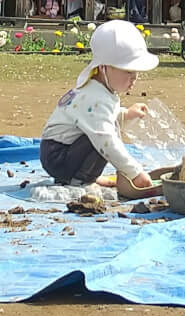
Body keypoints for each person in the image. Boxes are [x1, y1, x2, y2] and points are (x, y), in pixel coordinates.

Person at [39, 20, 159, 191]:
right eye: (128, 71)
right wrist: (135, 173)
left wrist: (125, 115)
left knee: (102, 133)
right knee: (103, 139)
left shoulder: (100, 89)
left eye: (136, 72)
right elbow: (105, 138)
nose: (134, 78)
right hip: (59, 157)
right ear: (103, 68)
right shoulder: (94, 97)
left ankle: (85, 175)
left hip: (63, 151)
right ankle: (79, 180)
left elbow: (104, 117)